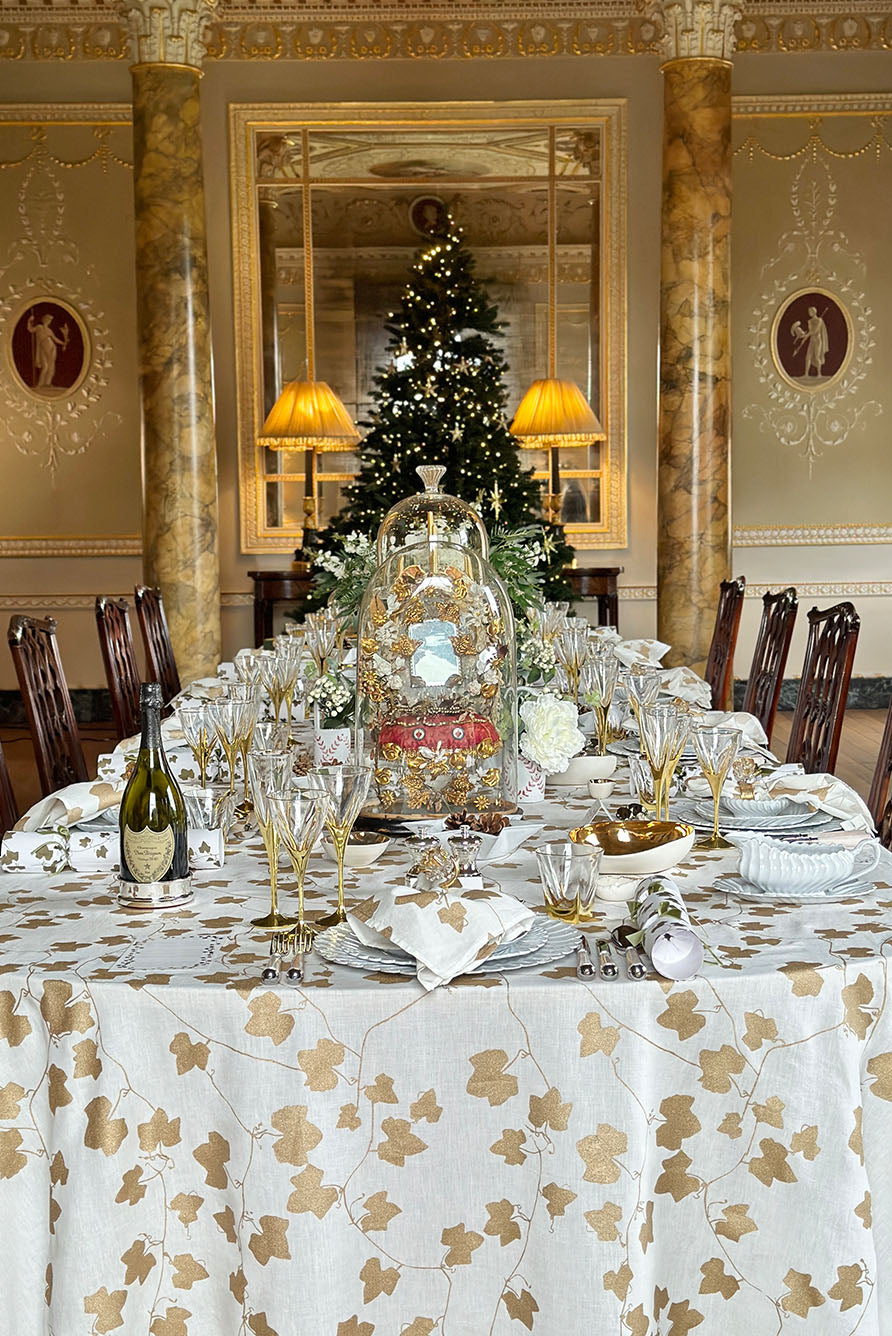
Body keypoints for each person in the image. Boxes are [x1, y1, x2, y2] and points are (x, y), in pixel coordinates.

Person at [27, 310, 68, 388]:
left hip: (52, 348)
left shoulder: (49, 330)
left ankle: (47, 383)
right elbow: (30, 329)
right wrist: (29, 321)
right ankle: (40, 384)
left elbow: (55, 339)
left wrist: (63, 343)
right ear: (44, 320)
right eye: (48, 319)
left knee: (51, 365)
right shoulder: (39, 327)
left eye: (50, 320)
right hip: (43, 348)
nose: (49, 321)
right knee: (45, 366)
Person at [800, 305, 829, 378]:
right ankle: (806, 374)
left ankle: (819, 374)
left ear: (814, 312)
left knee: (817, 357)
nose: (809, 313)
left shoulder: (819, 320)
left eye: (810, 311)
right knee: (808, 357)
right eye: (808, 311)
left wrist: (806, 336)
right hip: (812, 340)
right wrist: (804, 338)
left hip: (817, 340)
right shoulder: (809, 321)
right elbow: (810, 331)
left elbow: (815, 331)